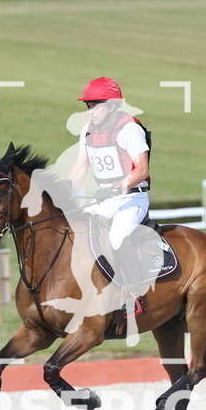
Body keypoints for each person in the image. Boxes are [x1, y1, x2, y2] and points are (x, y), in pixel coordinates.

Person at [67, 77, 154, 315]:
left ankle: (134, 294)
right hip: (104, 200)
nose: (91, 111)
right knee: (75, 231)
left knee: (116, 238)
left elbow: (142, 170)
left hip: (132, 199)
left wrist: (118, 186)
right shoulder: (87, 131)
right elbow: (80, 168)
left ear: (113, 105)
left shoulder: (130, 129)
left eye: (96, 105)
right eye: (89, 105)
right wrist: (62, 186)